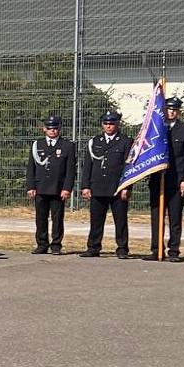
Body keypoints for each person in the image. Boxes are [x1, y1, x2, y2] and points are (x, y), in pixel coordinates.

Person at [146, 97, 184, 261]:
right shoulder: (157, 128)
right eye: (169, 109)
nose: (172, 112)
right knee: (156, 217)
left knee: (175, 218)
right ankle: (156, 249)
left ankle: (174, 250)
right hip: (157, 179)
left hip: (176, 181)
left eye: (175, 109)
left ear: (178, 111)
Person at [80, 111, 132, 259]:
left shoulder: (125, 141)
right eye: (106, 124)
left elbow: (129, 167)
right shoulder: (94, 142)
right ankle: (93, 247)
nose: (109, 126)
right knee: (96, 220)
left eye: (112, 123)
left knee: (120, 220)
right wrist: (85, 186)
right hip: (97, 186)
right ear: (102, 125)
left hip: (117, 187)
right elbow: (87, 166)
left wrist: (127, 187)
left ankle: (122, 248)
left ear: (117, 124)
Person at [24, 115, 76, 255]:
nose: (52, 131)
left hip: (58, 188)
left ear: (59, 129)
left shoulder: (67, 146)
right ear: (44, 129)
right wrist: (30, 186)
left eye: (55, 128)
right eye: (50, 128)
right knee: (40, 218)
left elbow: (71, 170)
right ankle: (41, 244)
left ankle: (56, 245)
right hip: (40, 187)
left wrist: (67, 188)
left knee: (57, 218)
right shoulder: (37, 145)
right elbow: (31, 168)